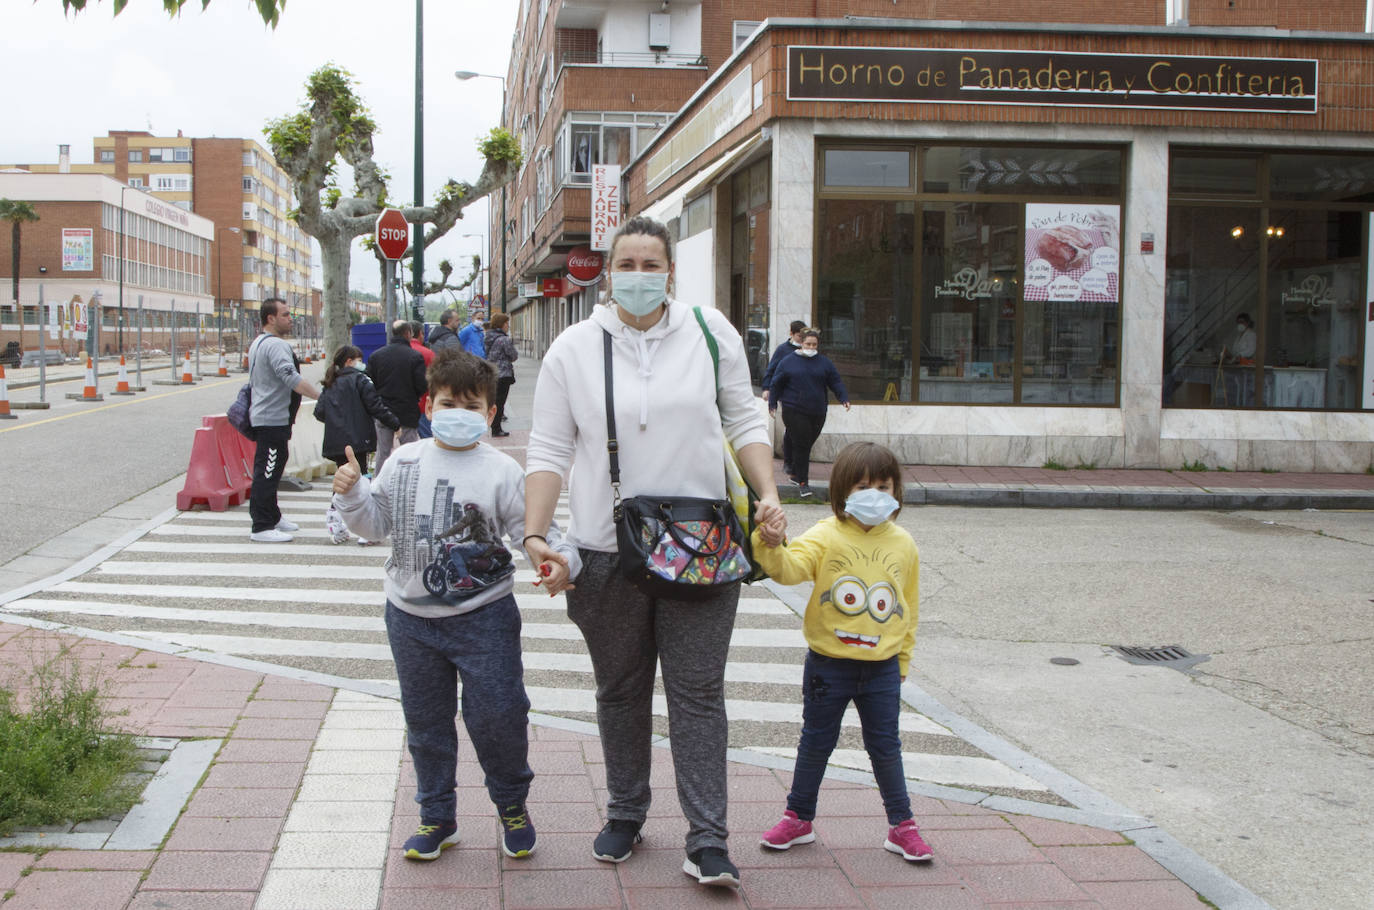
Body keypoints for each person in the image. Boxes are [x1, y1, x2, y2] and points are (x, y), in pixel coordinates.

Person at [522, 215, 784, 889]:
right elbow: (549, 449)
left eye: (651, 263)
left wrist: (767, 493)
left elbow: (744, 417)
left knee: (698, 693)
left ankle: (708, 837)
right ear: (609, 272)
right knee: (620, 689)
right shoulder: (573, 348)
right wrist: (536, 534)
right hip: (605, 551)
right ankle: (625, 812)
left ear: (671, 270)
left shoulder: (708, 331)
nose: (639, 275)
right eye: (627, 263)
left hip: (702, 546)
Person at [331, 349, 579, 864]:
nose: (460, 413)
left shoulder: (502, 470)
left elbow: (536, 533)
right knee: (426, 724)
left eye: (472, 406)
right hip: (410, 619)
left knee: (500, 717)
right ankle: (437, 817)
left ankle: (512, 806)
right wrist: (351, 495)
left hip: (485, 618)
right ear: (428, 404)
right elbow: (374, 525)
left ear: (490, 413)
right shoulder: (403, 460)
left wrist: (558, 560)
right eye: (449, 403)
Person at [752, 441, 933, 864]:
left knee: (886, 746)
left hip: (883, 669)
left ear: (897, 491)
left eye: (884, 486)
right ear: (841, 492)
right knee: (816, 742)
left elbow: (908, 607)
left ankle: (902, 825)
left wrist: (904, 660)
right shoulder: (826, 534)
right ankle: (798, 817)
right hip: (827, 666)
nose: (875, 494)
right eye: (864, 486)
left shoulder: (904, 544)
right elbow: (790, 568)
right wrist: (770, 542)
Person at [247, 298, 320, 543]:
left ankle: (273, 516)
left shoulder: (259, 342)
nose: (291, 319)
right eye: (286, 315)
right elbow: (291, 378)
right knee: (267, 471)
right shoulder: (276, 345)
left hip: (270, 417)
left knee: (274, 467)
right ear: (271, 318)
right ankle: (261, 525)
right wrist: (322, 396)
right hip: (271, 418)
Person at [315, 345, 398, 543]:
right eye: (358, 359)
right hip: (359, 440)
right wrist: (394, 423)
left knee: (342, 481)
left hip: (336, 442)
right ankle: (365, 530)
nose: (362, 363)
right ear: (349, 362)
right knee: (360, 480)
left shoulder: (330, 383)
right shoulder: (361, 380)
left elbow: (319, 412)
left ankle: (335, 521)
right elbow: (375, 406)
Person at [767, 329, 850, 498]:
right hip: (793, 409)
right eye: (808, 344)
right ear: (801, 343)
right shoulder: (788, 362)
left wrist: (844, 398)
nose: (811, 347)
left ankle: (794, 470)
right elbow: (776, 384)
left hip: (818, 410)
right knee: (802, 444)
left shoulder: (824, 363)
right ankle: (803, 483)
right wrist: (772, 403)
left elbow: (835, 381)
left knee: (805, 443)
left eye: (814, 345)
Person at [366, 320, 428, 473]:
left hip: (383, 410)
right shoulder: (415, 357)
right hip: (407, 409)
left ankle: (379, 482)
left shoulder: (376, 356)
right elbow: (422, 385)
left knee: (383, 451)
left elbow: (369, 382)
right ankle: (409, 480)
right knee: (410, 451)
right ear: (408, 334)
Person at [760, 320, 808, 480]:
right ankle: (789, 461)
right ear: (792, 334)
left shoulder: (807, 349)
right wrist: (767, 388)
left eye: (804, 336)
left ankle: (797, 461)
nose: (802, 340)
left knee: (799, 430)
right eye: (799, 336)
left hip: (803, 395)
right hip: (787, 395)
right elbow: (772, 368)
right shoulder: (783, 350)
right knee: (791, 428)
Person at [484, 311, 519, 437]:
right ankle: (496, 428)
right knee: (500, 402)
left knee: (495, 401)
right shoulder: (503, 339)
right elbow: (513, 355)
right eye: (506, 323)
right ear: (501, 324)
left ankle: (494, 425)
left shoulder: (488, 337)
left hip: (492, 373)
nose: (508, 326)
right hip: (503, 373)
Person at [409, 320, 436, 439]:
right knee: (427, 439)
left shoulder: (398, 352)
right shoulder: (428, 353)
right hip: (424, 403)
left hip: (402, 405)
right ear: (420, 333)